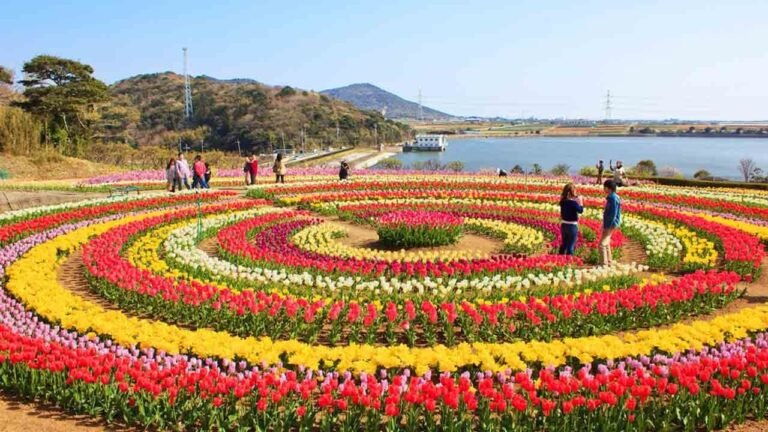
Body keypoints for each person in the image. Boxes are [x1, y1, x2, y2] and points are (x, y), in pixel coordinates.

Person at [600, 179, 622, 266]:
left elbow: (613, 213)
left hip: (610, 223)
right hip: (612, 223)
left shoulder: (612, 198)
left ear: (608, 188)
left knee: (601, 244)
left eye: (604, 187)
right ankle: (609, 262)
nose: (603, 189)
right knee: (606, 242)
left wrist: (607, 226)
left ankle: (603, 264)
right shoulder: (614, 197)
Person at [558, 183, 584, 255]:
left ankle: (560, 258)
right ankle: (569, 261)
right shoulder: (573, 203)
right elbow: (580, 210)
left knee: (564, 244)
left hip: (564, 225)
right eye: (575, 191)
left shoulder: (563, 202)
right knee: (570, 246)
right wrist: (580, 202)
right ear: (572, 192)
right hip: (572, 226)